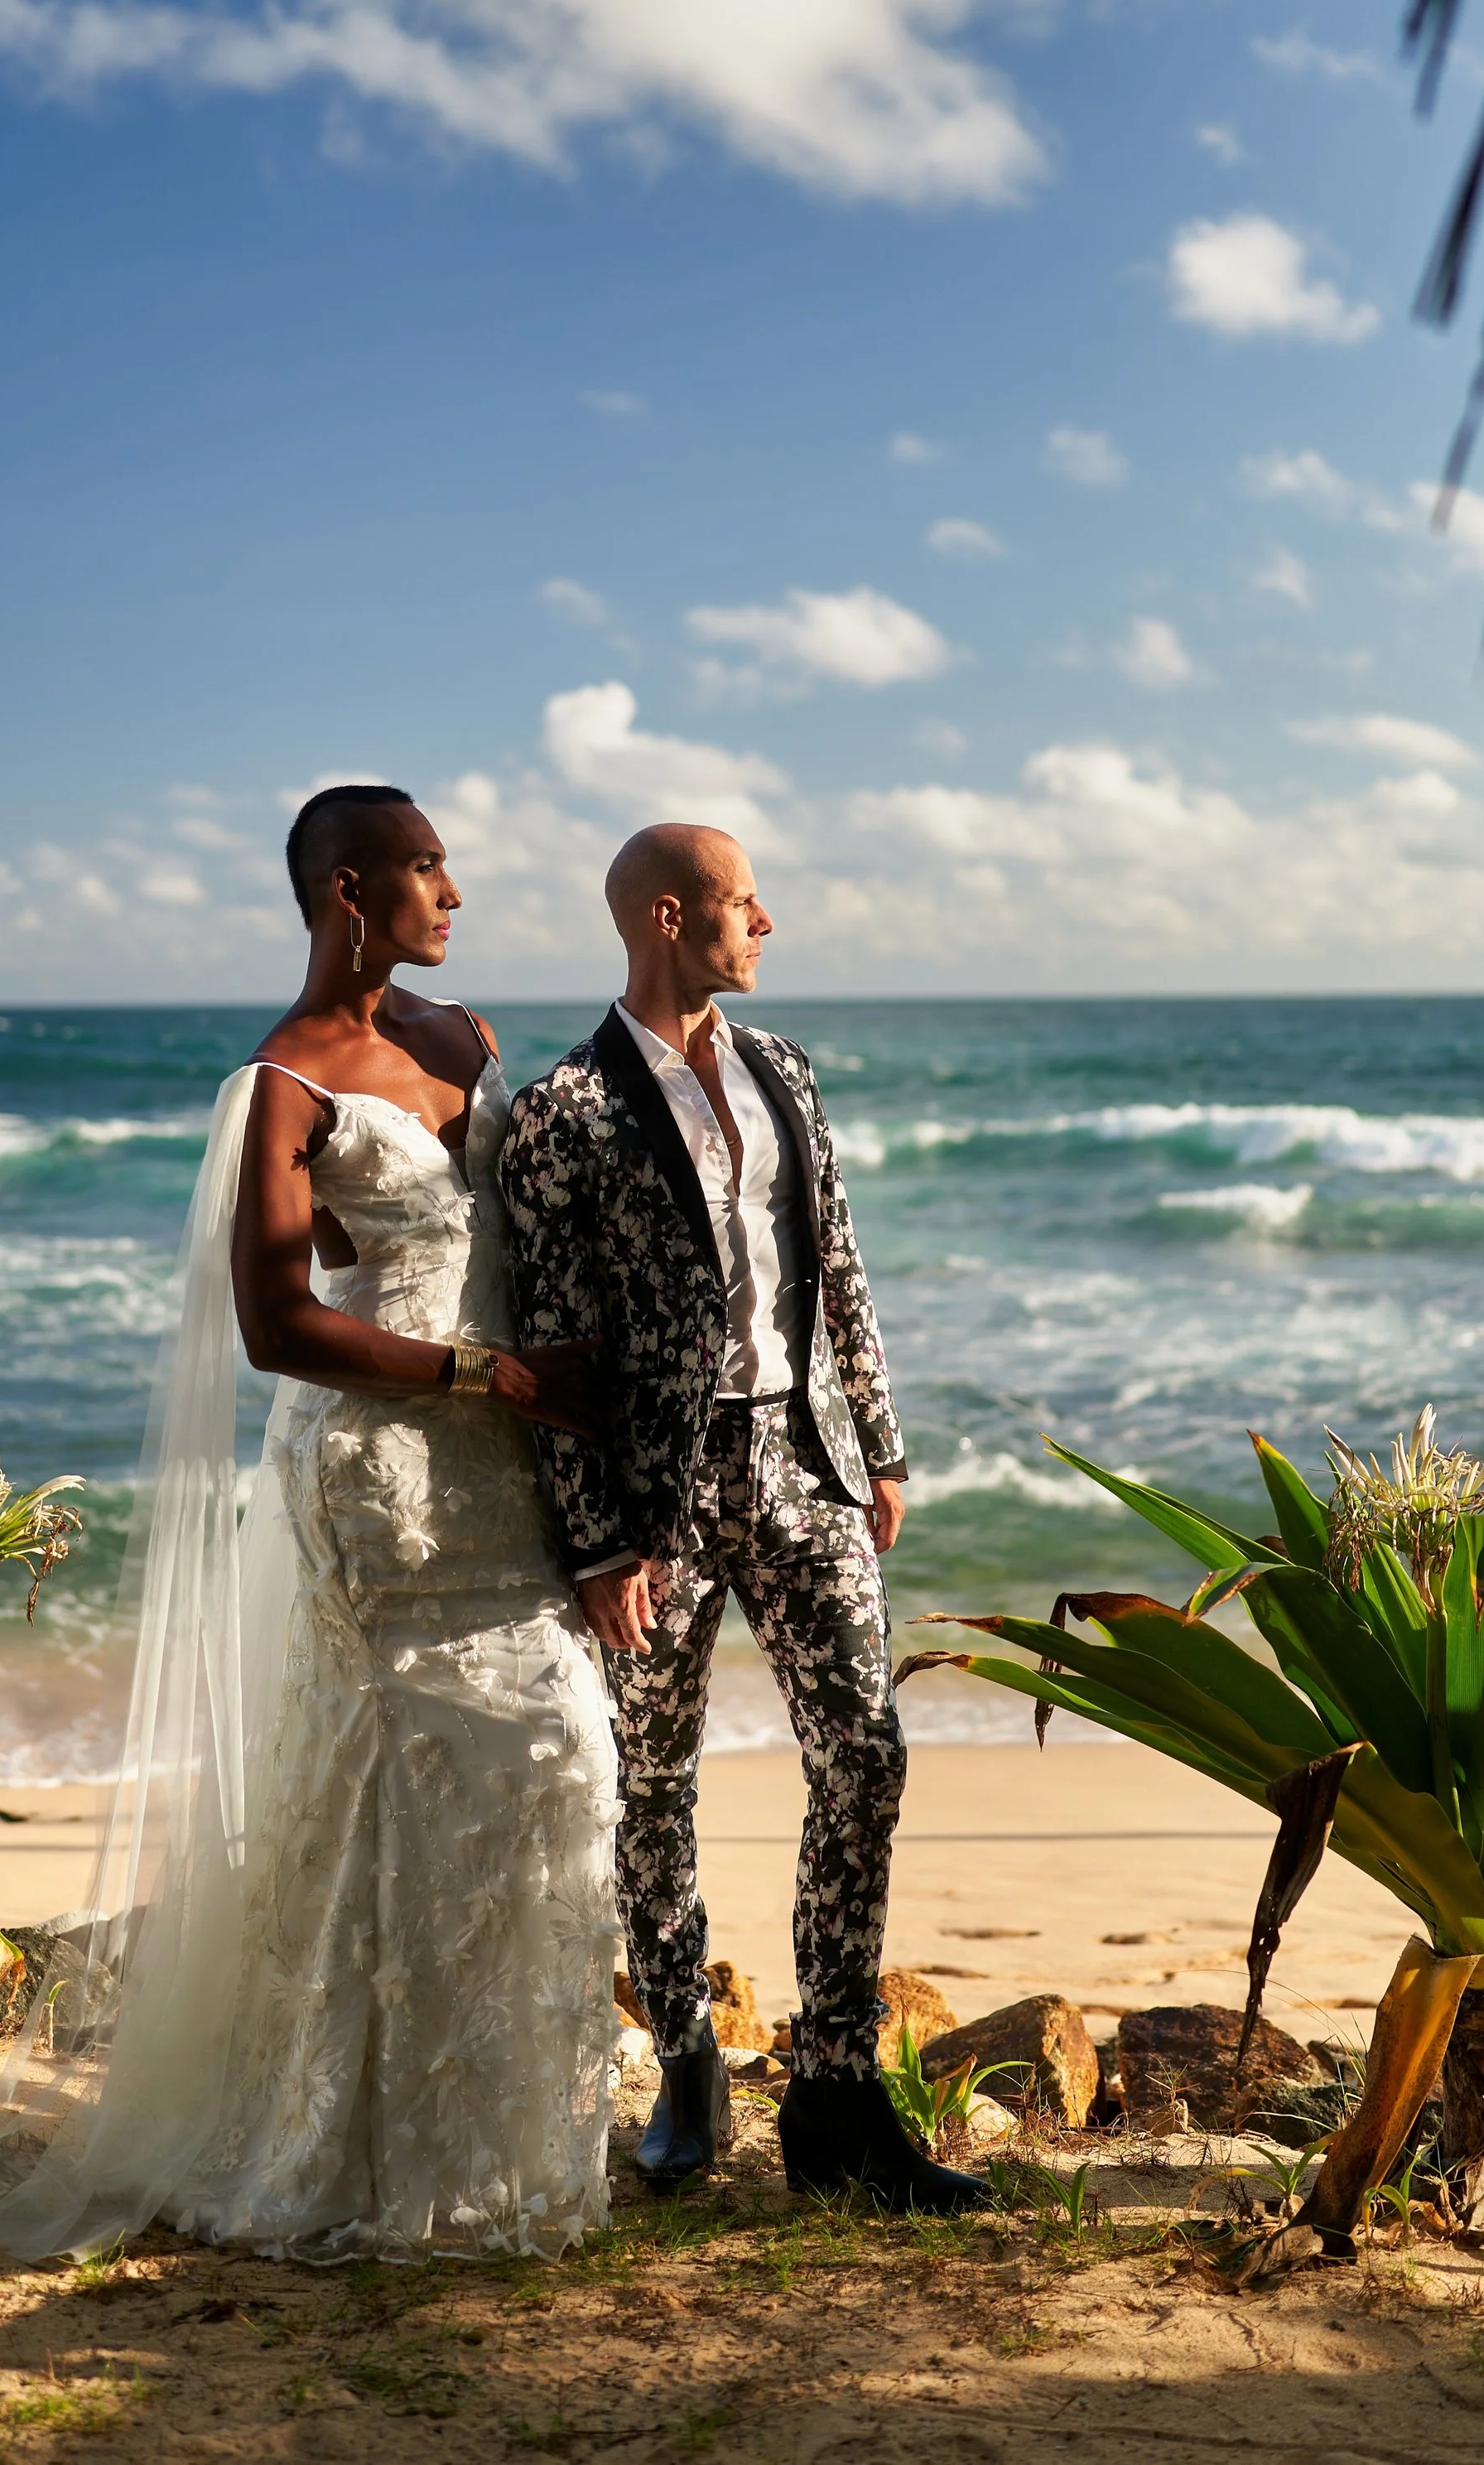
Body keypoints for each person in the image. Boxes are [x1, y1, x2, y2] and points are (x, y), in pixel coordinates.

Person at [0, 785, 618, 2263]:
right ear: (347, 892)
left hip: (504, 1467)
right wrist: (487, 1368)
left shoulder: (466, 1036)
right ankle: (355, 2143)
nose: (455, 891)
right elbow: (275, 1319)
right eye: (426, 869)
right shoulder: (280, 1083)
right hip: (378, 1474)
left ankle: (498, 2137)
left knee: (553, 1758)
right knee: (392, 1775)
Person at [499, 822, 991, 2214]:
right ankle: (690, 2060)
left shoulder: (787, 1072)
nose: (766, 922)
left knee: (868, 1752)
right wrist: (598, 1539)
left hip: (801, 1457)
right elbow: (557, 1344)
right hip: (657, 1495)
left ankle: (836, 2094)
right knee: (653, 1784)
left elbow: (837, 1258)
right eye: (743, 902)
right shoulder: (562, 1113)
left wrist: (879, 1441)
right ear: (671, 915)